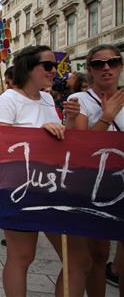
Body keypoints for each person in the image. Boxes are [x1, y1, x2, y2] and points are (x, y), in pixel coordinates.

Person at [0, 45, 80, 296]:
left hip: (52, 187)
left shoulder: (48, 99)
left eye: (56, 66)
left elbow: (58, 141)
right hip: (20, 189)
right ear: (29, 68)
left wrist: (69, 123)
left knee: (75, 259)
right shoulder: (8, 99)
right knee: (22, 257)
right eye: (48, 66)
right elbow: (0, 146)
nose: (55, 71)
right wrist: (41, 135)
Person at [65, 44, 123, 297]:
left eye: (113, 62)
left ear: (120, 66)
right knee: (98, 253)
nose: (106, 68)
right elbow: (80, 149)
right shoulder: (79, 102)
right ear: (90, 69)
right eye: (99, 64)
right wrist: (106, 117)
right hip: (95, 185)